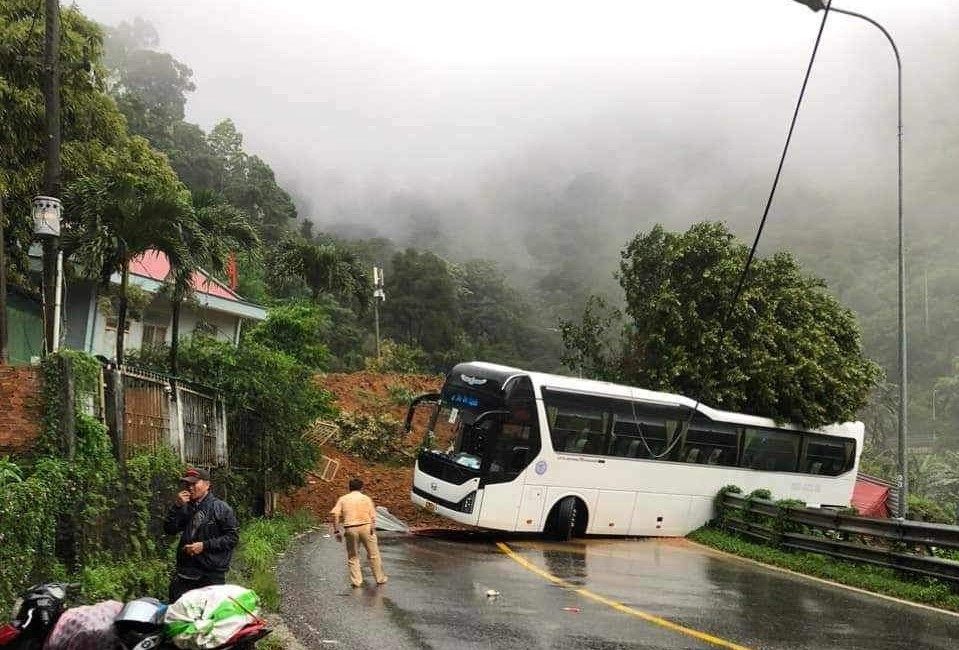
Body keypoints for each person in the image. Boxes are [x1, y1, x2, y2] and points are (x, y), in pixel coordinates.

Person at [163, 467, 240, 602]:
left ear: (207, 485)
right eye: (187, 484)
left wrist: (204, 546)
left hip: (210, 574)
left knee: (209, 615)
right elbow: (170, 529)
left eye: (194, 483)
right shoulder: (185, 507)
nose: (190, 487)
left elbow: (232, 538)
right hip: (186, 571)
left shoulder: (221, 508)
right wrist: (176, 507)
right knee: (179, 612)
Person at [330, 478, 388, 587]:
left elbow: (336, 515)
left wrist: (337, 530)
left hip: (350, 528)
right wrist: (372, 528)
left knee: (353, 556)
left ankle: (357, 581)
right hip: (366, 526)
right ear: (362, 488)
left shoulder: (343, 499)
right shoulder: (366, 499)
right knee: (373, 554)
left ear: (349, 487)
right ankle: (380, 578)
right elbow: (373, 516)